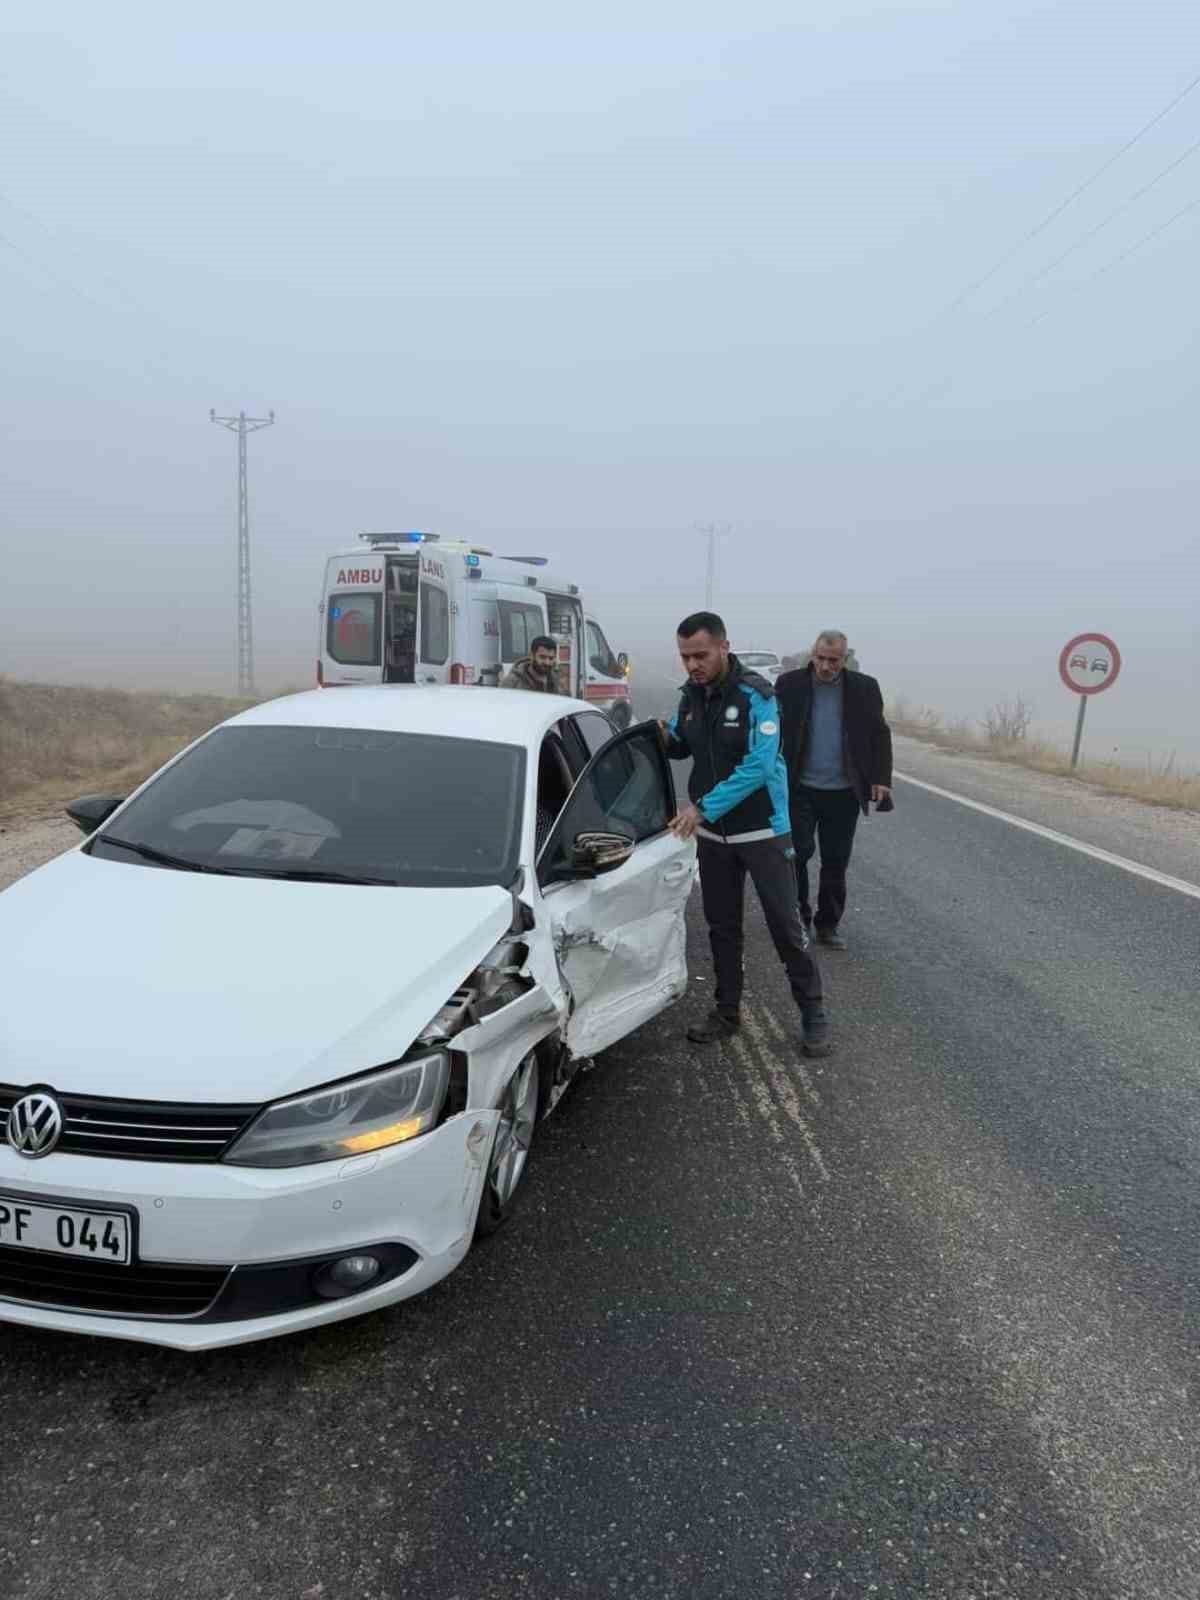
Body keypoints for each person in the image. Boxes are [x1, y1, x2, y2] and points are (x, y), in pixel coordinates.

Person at [659, 611, 830, 1057]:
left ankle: (813, 1014)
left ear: (723, 647)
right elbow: (681, 743)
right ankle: (726, 1012)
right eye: (685, 657)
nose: (693, 665)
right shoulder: (689, 696)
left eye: (700, 655)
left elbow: (757, 766)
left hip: (763, 831)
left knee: (786, 927)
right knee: (722, 928)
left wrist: (701, 808)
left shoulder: (757, 696)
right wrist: (660, 737)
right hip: (715, 838)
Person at [775, 631, 893, 951]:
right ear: (813, 655)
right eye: (822, 658)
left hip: (843, 792)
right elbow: (771, 732)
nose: (827, 666)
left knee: (836, 860)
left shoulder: (864, 688)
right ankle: (799, 916)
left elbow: (880, 734)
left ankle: (828, 925)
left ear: (845, 658)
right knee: (796, 853)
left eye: (834, 660)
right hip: (800, 787)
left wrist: (881, 778)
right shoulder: (789, 686)